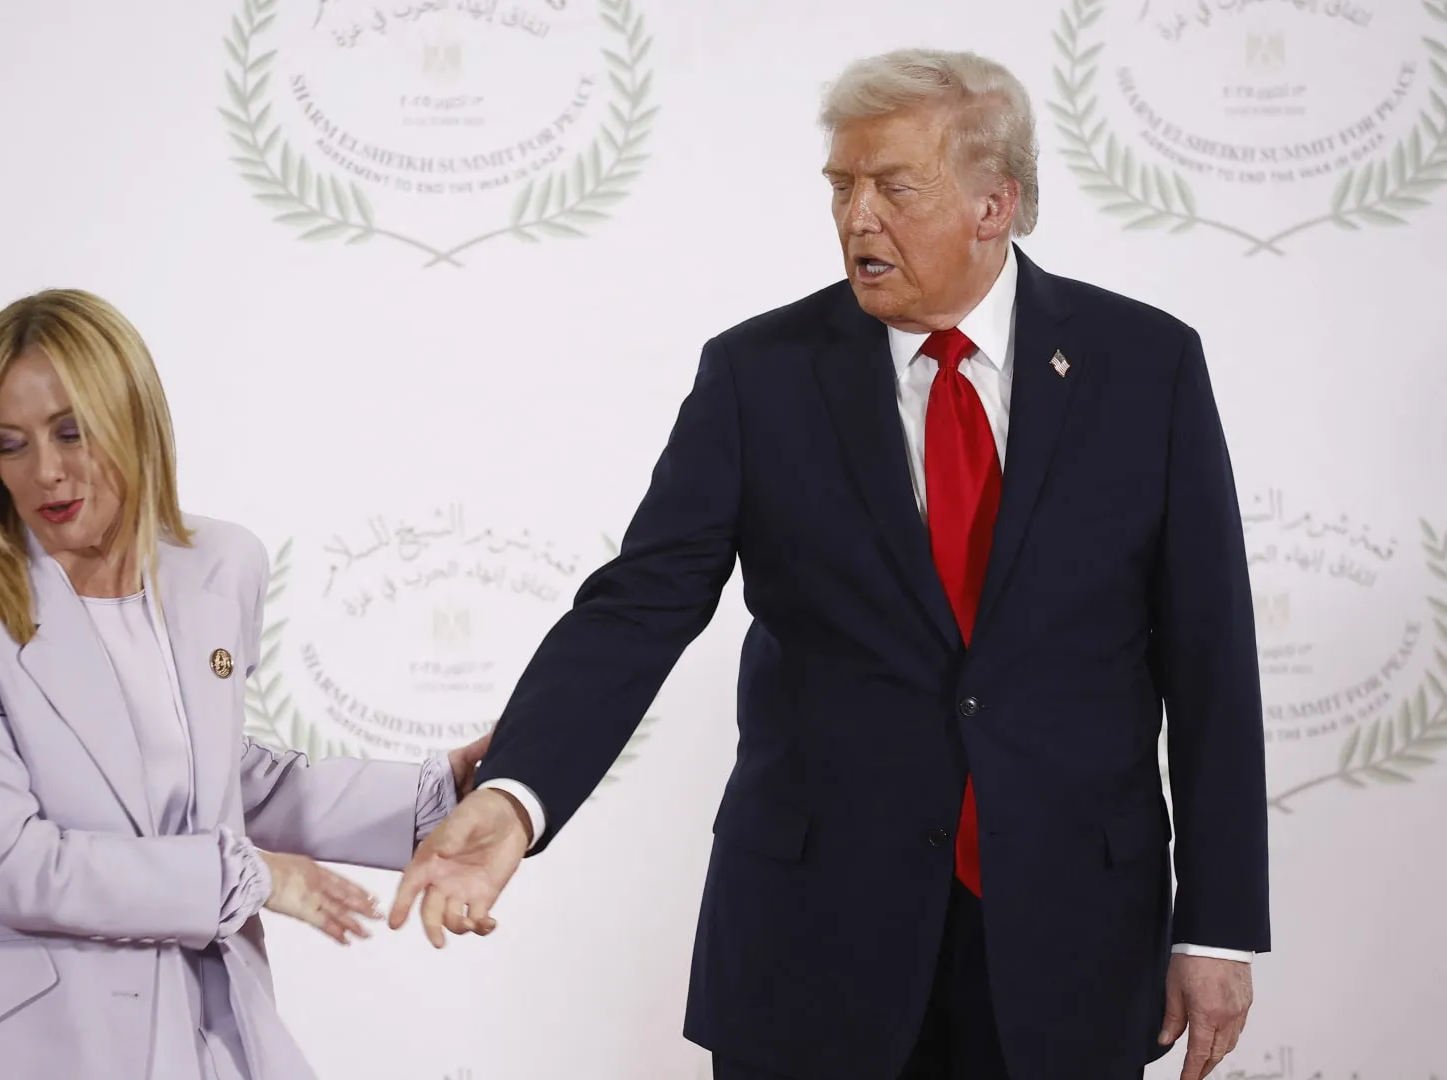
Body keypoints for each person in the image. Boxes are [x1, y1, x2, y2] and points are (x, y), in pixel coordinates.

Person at [389, 48, 1269, 1080]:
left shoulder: (1146, 365)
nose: (858, 217)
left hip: (1071, 938)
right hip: (813, 941)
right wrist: (516, 792)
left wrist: (1217, 926)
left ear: (995, 205)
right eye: (842, 186)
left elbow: (1210, 657)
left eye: (894, 187)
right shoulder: (757, 375)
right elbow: (638, 607)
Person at [0, 288, 488, 1080]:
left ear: (134, 418)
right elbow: (10, 862)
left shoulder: (220, 567)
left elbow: (209, 778)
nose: (46, 472)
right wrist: (250, 877)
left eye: (71, 431)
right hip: (17, 1042)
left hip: (199, 1016)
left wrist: (431, 797)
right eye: (10, 445)